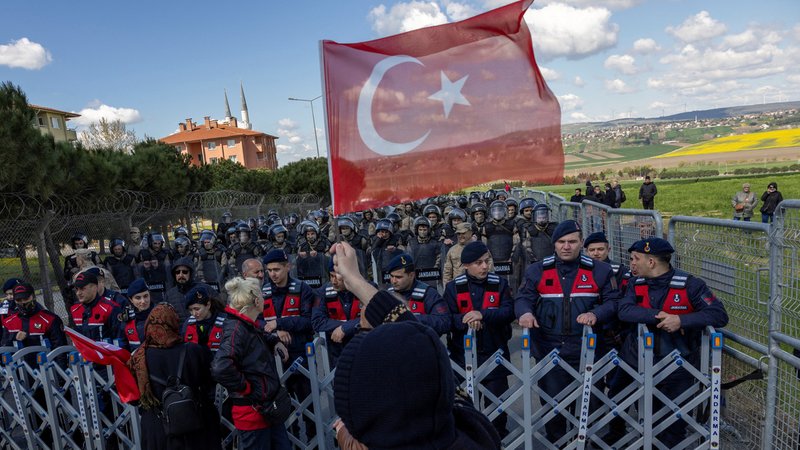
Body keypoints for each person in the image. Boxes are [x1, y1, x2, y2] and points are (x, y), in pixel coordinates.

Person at [514, 220, 619, 442]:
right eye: (561, 242)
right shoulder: (537, 270)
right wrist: (525, 313)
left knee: (590, 403)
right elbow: (523, 297)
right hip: (549, 347)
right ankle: (558, 444)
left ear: (581, 242)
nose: (566, 246)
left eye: (572, 241)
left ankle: (583, 442)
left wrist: (596, 314)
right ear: (554, 244)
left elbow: (612, 302)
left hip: (589, 348)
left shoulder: (600, 270)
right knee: (554, 405)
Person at [618, 238, 728, 447]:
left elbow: (718, 315)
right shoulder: (635, 283)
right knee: (642, 417)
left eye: (636, 258)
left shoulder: (691, 285)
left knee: (673, 425)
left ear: (651, 262)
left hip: (680, 367)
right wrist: (657, 315)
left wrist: (681, 320)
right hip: (638, 364)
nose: (631, 263)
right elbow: (624, 310)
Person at [444, 241, 514, 438]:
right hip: (461, 358)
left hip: (494, 354)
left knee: (498, 407)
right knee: (464, 408)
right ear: (466, 265)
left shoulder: (500, 284)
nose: (485, 266)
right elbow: (446, 319)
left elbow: (509, 312)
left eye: (487, 261)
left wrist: (482, 314)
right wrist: (465, 320)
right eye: (478, 263)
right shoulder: (452, 288)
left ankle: (498, 439)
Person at [128, 303, 221, 450]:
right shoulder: (194, 351)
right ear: (174, 322)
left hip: (158, 429)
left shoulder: (139, 358)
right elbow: (211, 382)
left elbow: (133, 399)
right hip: (195, 423)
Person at [211, 277, 290, 450]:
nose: (264, 299)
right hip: (253, 412)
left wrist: (274, 341)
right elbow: (220, 367)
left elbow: (257, 336)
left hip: (266, 408)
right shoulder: (237, 328)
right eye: (262, 296)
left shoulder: (245, 324)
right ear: (256, 301)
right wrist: (246, 388)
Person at [311, 261, 364, 366]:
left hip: (363, 347)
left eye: (337, 277)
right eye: (331, 276)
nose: (333, 281)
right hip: (336, 352)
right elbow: (317, 322)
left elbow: (375, 316)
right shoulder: (321, 292)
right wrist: (346, 327)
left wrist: (346, 328)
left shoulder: (367, 288)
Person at [385, 253, 451, 336]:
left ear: (411, 275)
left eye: (398, 277)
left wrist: (413, 319)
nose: (393, 281)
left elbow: (445, 321)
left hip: (422, 346)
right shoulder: (388, 294)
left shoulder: (428, 294)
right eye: (391, 276)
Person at [70, 271, 121, 341]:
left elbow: (119, 339)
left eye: (82, 289)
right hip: (84, 351)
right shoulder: (74, 309)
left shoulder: (110, 308)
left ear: (94, 287)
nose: (78, 293)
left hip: (106, 351)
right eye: (77, 289)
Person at [181, 284, 227, 356]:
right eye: (190, 310)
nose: (194, 314)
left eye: (197, 309)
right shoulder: (188, 324)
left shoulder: (225, 322)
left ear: (208, 305)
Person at [164, 257, 207, 323]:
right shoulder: (169, 295)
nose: (181, 275)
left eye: (185, 272)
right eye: (177, 272)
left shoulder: (202, 289)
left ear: (191, 273)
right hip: (179, 332)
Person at [116, 279, 153, 352]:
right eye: (138, 298)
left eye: (146, 296)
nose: (143, 301)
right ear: (131, 300)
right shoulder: (127, 320)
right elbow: (124, 347)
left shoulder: (161, 313)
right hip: (136, 361)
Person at [406, 216, 442, 288]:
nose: (422, 232)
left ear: (428, 230)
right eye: (420, 230)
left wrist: (433, 271)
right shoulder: (411, 243)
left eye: (425, 230)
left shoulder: (435, 242)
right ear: (417, 230)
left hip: (431, 277)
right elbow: (408, 259)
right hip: (416, 276)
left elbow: (439, 258)